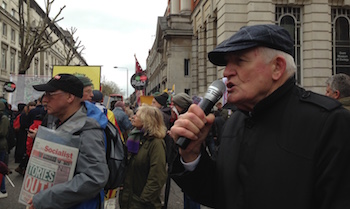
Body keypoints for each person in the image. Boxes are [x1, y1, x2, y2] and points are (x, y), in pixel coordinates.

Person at [169, 24, 350, 209]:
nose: (226, 72)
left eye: (239, 61)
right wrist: (192, 155)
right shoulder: (236, 122)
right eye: (227, 63)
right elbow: (220, 194)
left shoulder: (327, 122)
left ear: (277, 68)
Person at [28, 73, 109, 209]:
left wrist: (46, 198)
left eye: (50, 94)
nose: (44, 100)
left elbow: (95, 178)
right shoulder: (62, 121)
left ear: (70, 97)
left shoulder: (88, 130)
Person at [119, 105, 167, 209]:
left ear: (146, 119)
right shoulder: (134, 137)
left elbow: (157, 177)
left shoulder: (156, 143)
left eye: (137, 115)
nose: (132, 117)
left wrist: (143, 201)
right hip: (129, 200)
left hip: (142, 204)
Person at [0, 101, 9, 198]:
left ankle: (3, 190)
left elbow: (2, 132)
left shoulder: (4, 118)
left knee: (1, 168)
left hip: (1, 146)